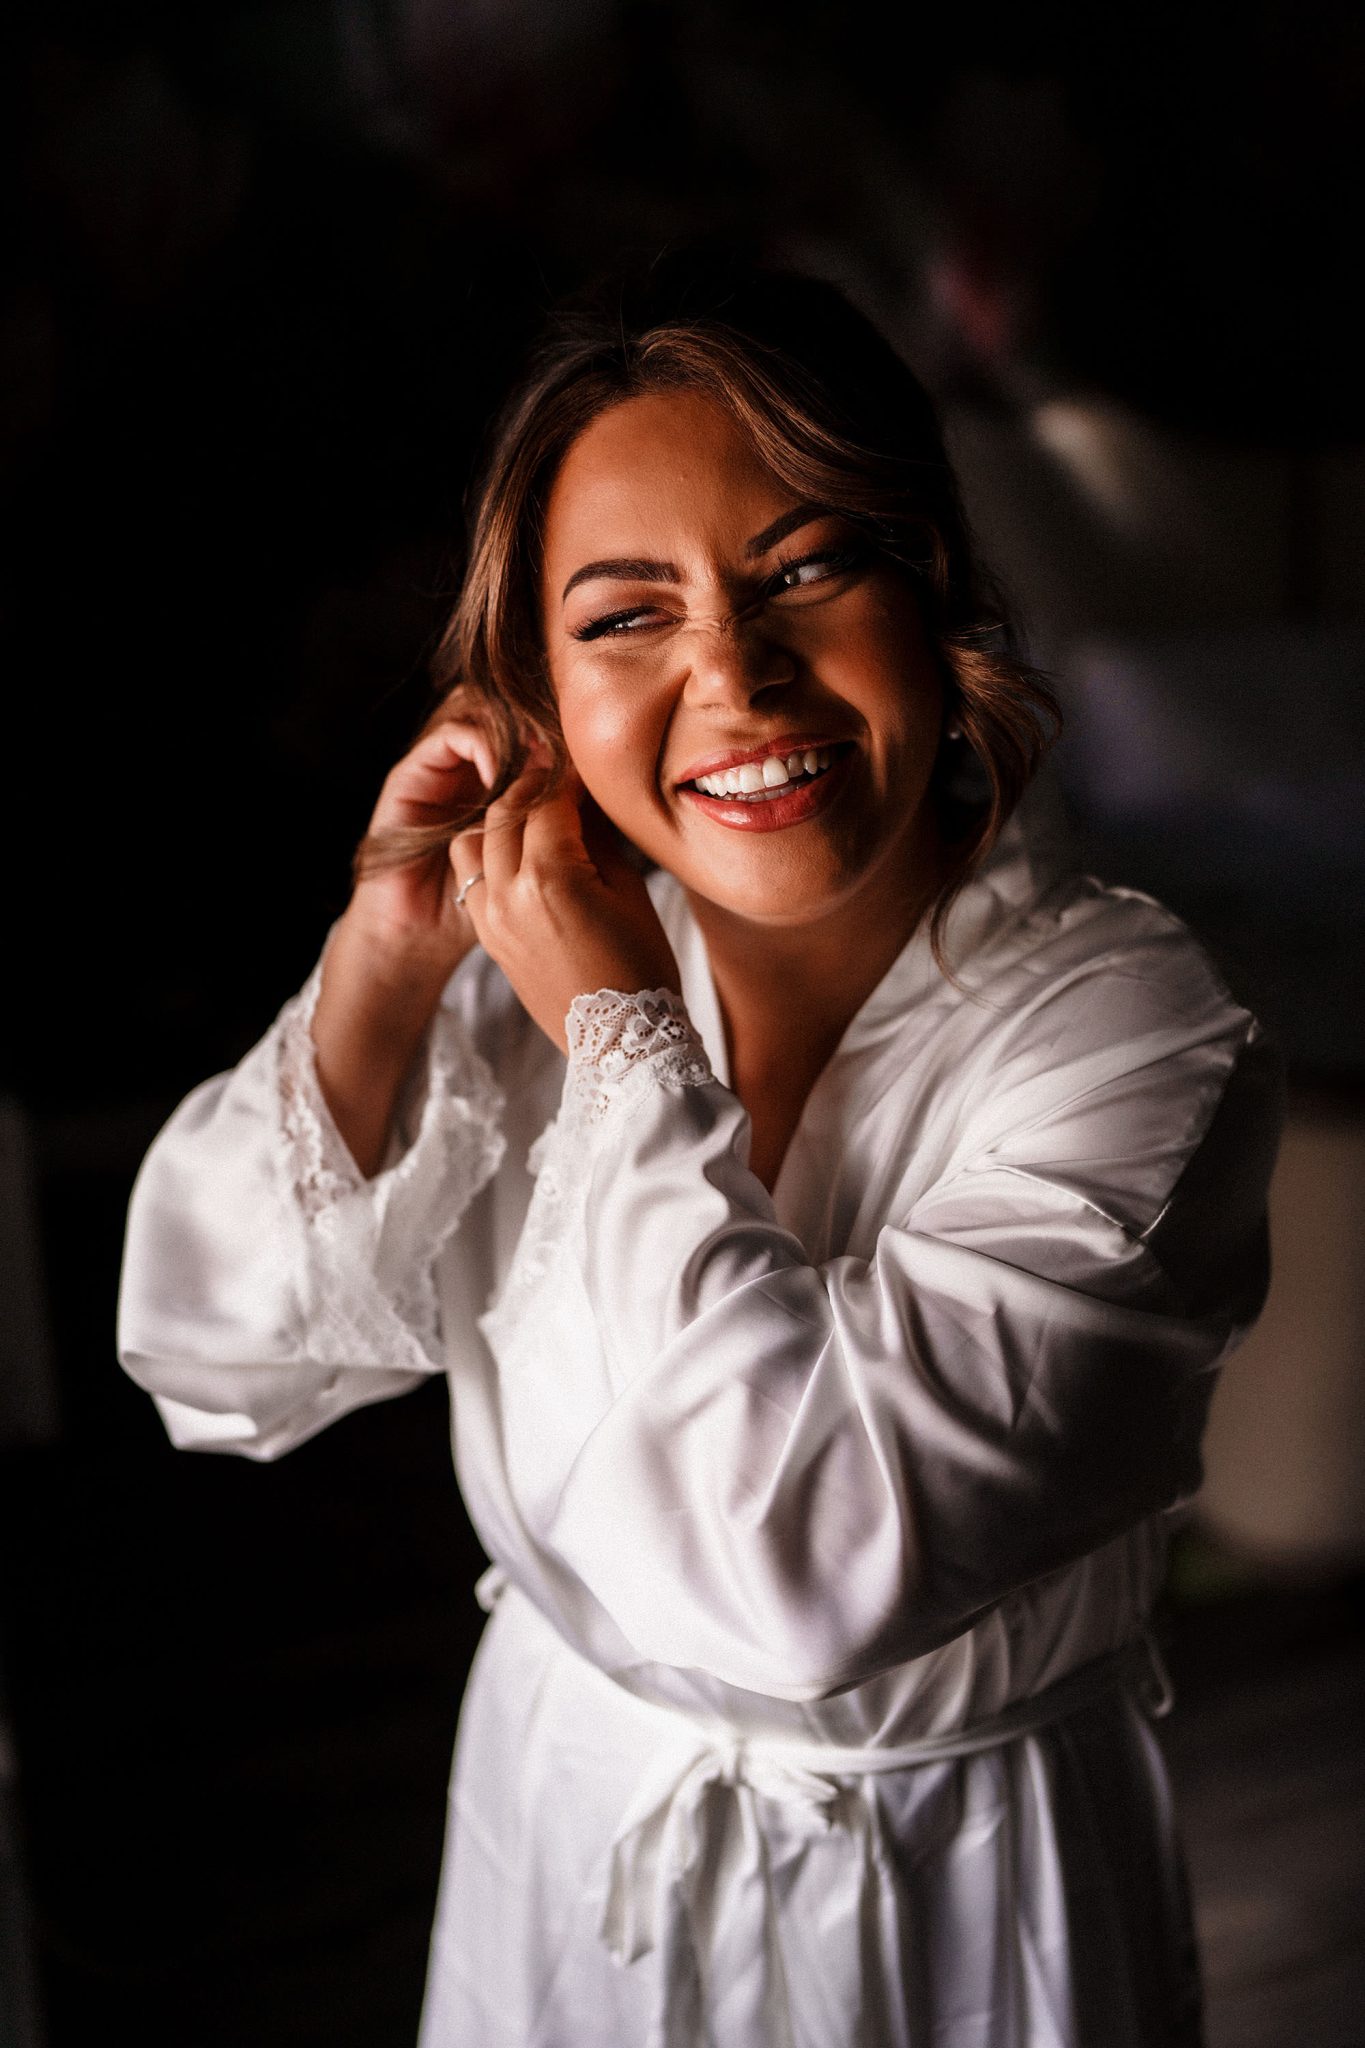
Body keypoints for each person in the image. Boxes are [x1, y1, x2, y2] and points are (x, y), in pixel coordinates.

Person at [116, 258, 1280, 2048]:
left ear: (934, 587)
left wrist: (622, 1041)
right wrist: (381, 961)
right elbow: (214, 1359)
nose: (730, 675)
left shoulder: (1133, 1039)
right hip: (566, 1839)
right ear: (534, 696)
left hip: (951, 1894)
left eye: (804, 570)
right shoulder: (514, 968)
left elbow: (796, 1575)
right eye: (624, 616)